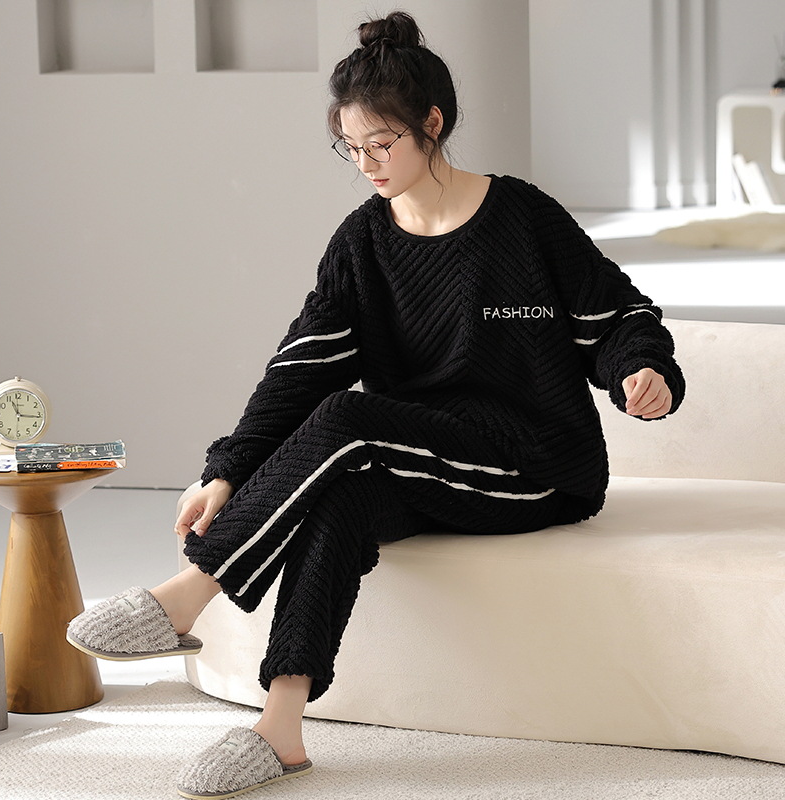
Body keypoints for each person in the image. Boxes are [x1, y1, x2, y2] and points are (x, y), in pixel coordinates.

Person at [66, 10, 684, 799]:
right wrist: (227, 471)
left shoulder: (523, 218)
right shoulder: (362, 243)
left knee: (349, 419)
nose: (367, 164)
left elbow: (619, 314)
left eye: (382, 144)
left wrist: (643, 369)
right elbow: (300, 369)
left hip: (535, 464)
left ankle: (189, 593)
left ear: (433, 125)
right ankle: (281, 729)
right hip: (419, 456)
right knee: (341, 496)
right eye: (351, 148)